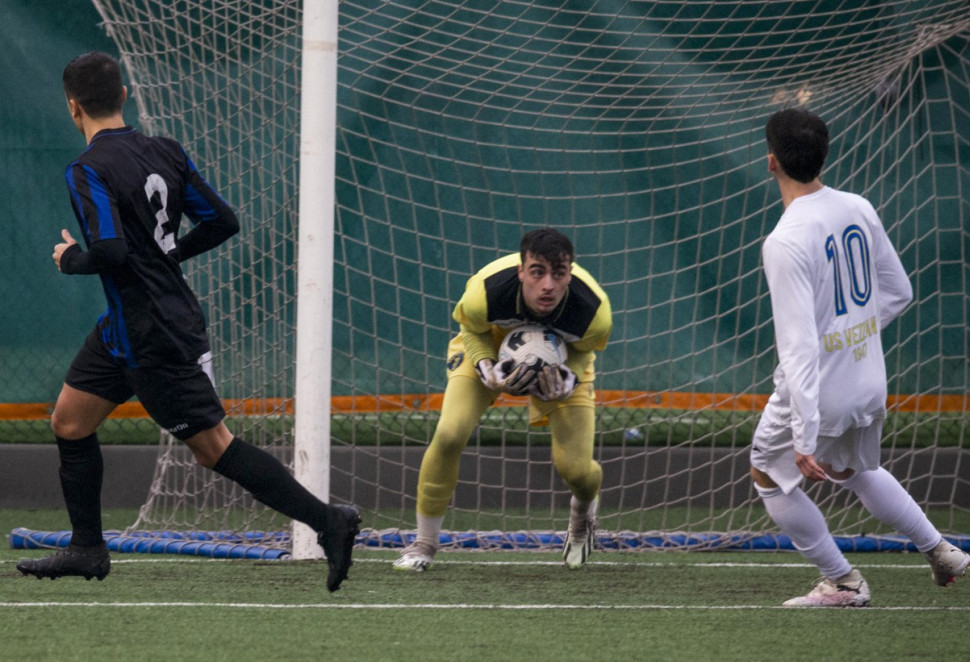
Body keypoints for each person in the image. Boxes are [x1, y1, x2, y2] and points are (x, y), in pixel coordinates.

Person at [16, 52, 360, 592]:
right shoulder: (165, 151)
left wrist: (70, 260)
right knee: (69, 422)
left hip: (153, 333)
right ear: (124, 95)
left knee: (213, 448)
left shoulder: (87, 168)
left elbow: (110, 249)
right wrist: (170, 254)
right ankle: (87, 548)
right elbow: (222, 221)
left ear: (73, 107)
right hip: (125, 327)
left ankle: (328, 521)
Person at [751, 107, 970, 607]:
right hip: (867, 379)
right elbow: (900, 292)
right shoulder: (857, 205)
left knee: (767, 474)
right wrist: (853, 335)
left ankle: (843, 582)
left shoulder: (784, 240)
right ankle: (940, 549)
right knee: (852, 469)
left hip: (820, 392)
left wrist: (804, 432)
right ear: (824, 155)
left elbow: (799, 347)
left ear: (771, 161)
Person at [393, 228, 612, 571]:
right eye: (537, 272)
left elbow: (584, 351)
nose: (548, 285)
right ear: (521, 271)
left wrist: (568, 378)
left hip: (561, 361)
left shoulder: (593, 310)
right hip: (489, 345)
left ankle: (583, 512)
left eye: (558, 274)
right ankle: (424, 543)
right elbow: (471, 328)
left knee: (577, 470)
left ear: (570, 273)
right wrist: (485, 364)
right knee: (449, 434)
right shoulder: (487, 290)